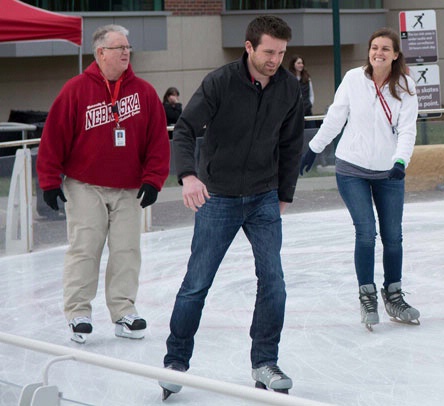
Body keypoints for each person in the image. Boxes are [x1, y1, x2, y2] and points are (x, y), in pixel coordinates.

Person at [159, 15, 304, 399]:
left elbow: (291, 144)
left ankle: (265, 362)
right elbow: (186, 129)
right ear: (249, 48)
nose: (275, 59)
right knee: (197, 282)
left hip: (263, 197)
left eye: (281, 53)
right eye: (269, 52)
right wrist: (189, 175)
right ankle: (176, 361)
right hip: (218, 196)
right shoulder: (220, 82)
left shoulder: (288, 89)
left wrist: (284, 193)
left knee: (274, 282)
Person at [36, 24, 171, 344]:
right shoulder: (75, 90)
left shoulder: (144, 92)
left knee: (127, 249)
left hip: (129, 187)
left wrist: (153, 179)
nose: (126, 52)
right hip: (85, 185)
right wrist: (50, 181)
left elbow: (157, 141)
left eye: (128, 47)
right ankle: (78, 312)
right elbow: (53, 138)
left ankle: (124, 310)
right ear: (100, 53)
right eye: (119, 48)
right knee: (86, 247)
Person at [300, 27, 420, 331]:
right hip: (352, 168)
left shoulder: (406, 85)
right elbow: (335, 116)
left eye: (385, 49)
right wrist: (313, 149)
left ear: (395, 55)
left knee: (393, 236)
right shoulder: (354, 79)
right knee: (366, 232)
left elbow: (407, 128)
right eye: (374, 47)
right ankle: (367, 296)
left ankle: (393, 294)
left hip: (390, 172)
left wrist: (400, 161)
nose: (378, 53)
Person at [288, 55, 315, 128]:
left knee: (310, 131)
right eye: (298, 63)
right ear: (293, 64)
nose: (301, 65)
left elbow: (311, 94)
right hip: (295, 112)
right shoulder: (289, 79)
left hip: (307, 111)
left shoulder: (307, 78)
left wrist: (310, 104)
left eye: (302, 63)